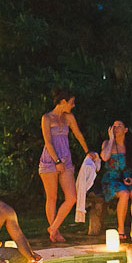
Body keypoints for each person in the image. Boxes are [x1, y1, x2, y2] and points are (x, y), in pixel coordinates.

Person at [39, 90, 93, 243]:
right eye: (71, 102)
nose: (73, 105)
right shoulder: (47, 118)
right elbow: (48, 142)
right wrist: (57, 161)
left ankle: (53, 228)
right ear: (63, 101)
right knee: (52, 197)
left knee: (72, 197)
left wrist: (88, 152)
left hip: (66, 160)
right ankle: (54, 233)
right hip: (50, 161)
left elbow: (78, 135)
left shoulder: (69, 117)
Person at [101, 120, 132, 240]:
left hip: (127, 177)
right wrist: (111, 139)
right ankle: (121, 229)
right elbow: (104, 157)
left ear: (125, 130)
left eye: (119, 126)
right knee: (124, 193)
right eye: (114, 126)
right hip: (111, 179)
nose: (116, 128)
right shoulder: (107, 143)